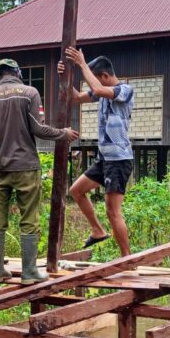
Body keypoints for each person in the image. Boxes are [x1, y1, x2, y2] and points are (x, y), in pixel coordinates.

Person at [0, 58, 80, 283]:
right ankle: (29, 272)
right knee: (29, 218)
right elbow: (38, 129)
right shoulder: (30, 93)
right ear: (18, 73)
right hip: (26, 166)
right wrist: (64, 133)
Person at [58, 48, 135, 257]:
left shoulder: (125, 90)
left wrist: (82, 64)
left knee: (112, 211)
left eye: (96, 78)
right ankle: (97, 230)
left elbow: (100, 90)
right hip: (104, 159)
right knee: (76, 190)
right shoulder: (101, 92)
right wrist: (64, 75)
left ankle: (126, 258)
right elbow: (75, 97)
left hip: (119, 159)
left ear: (104, 76)